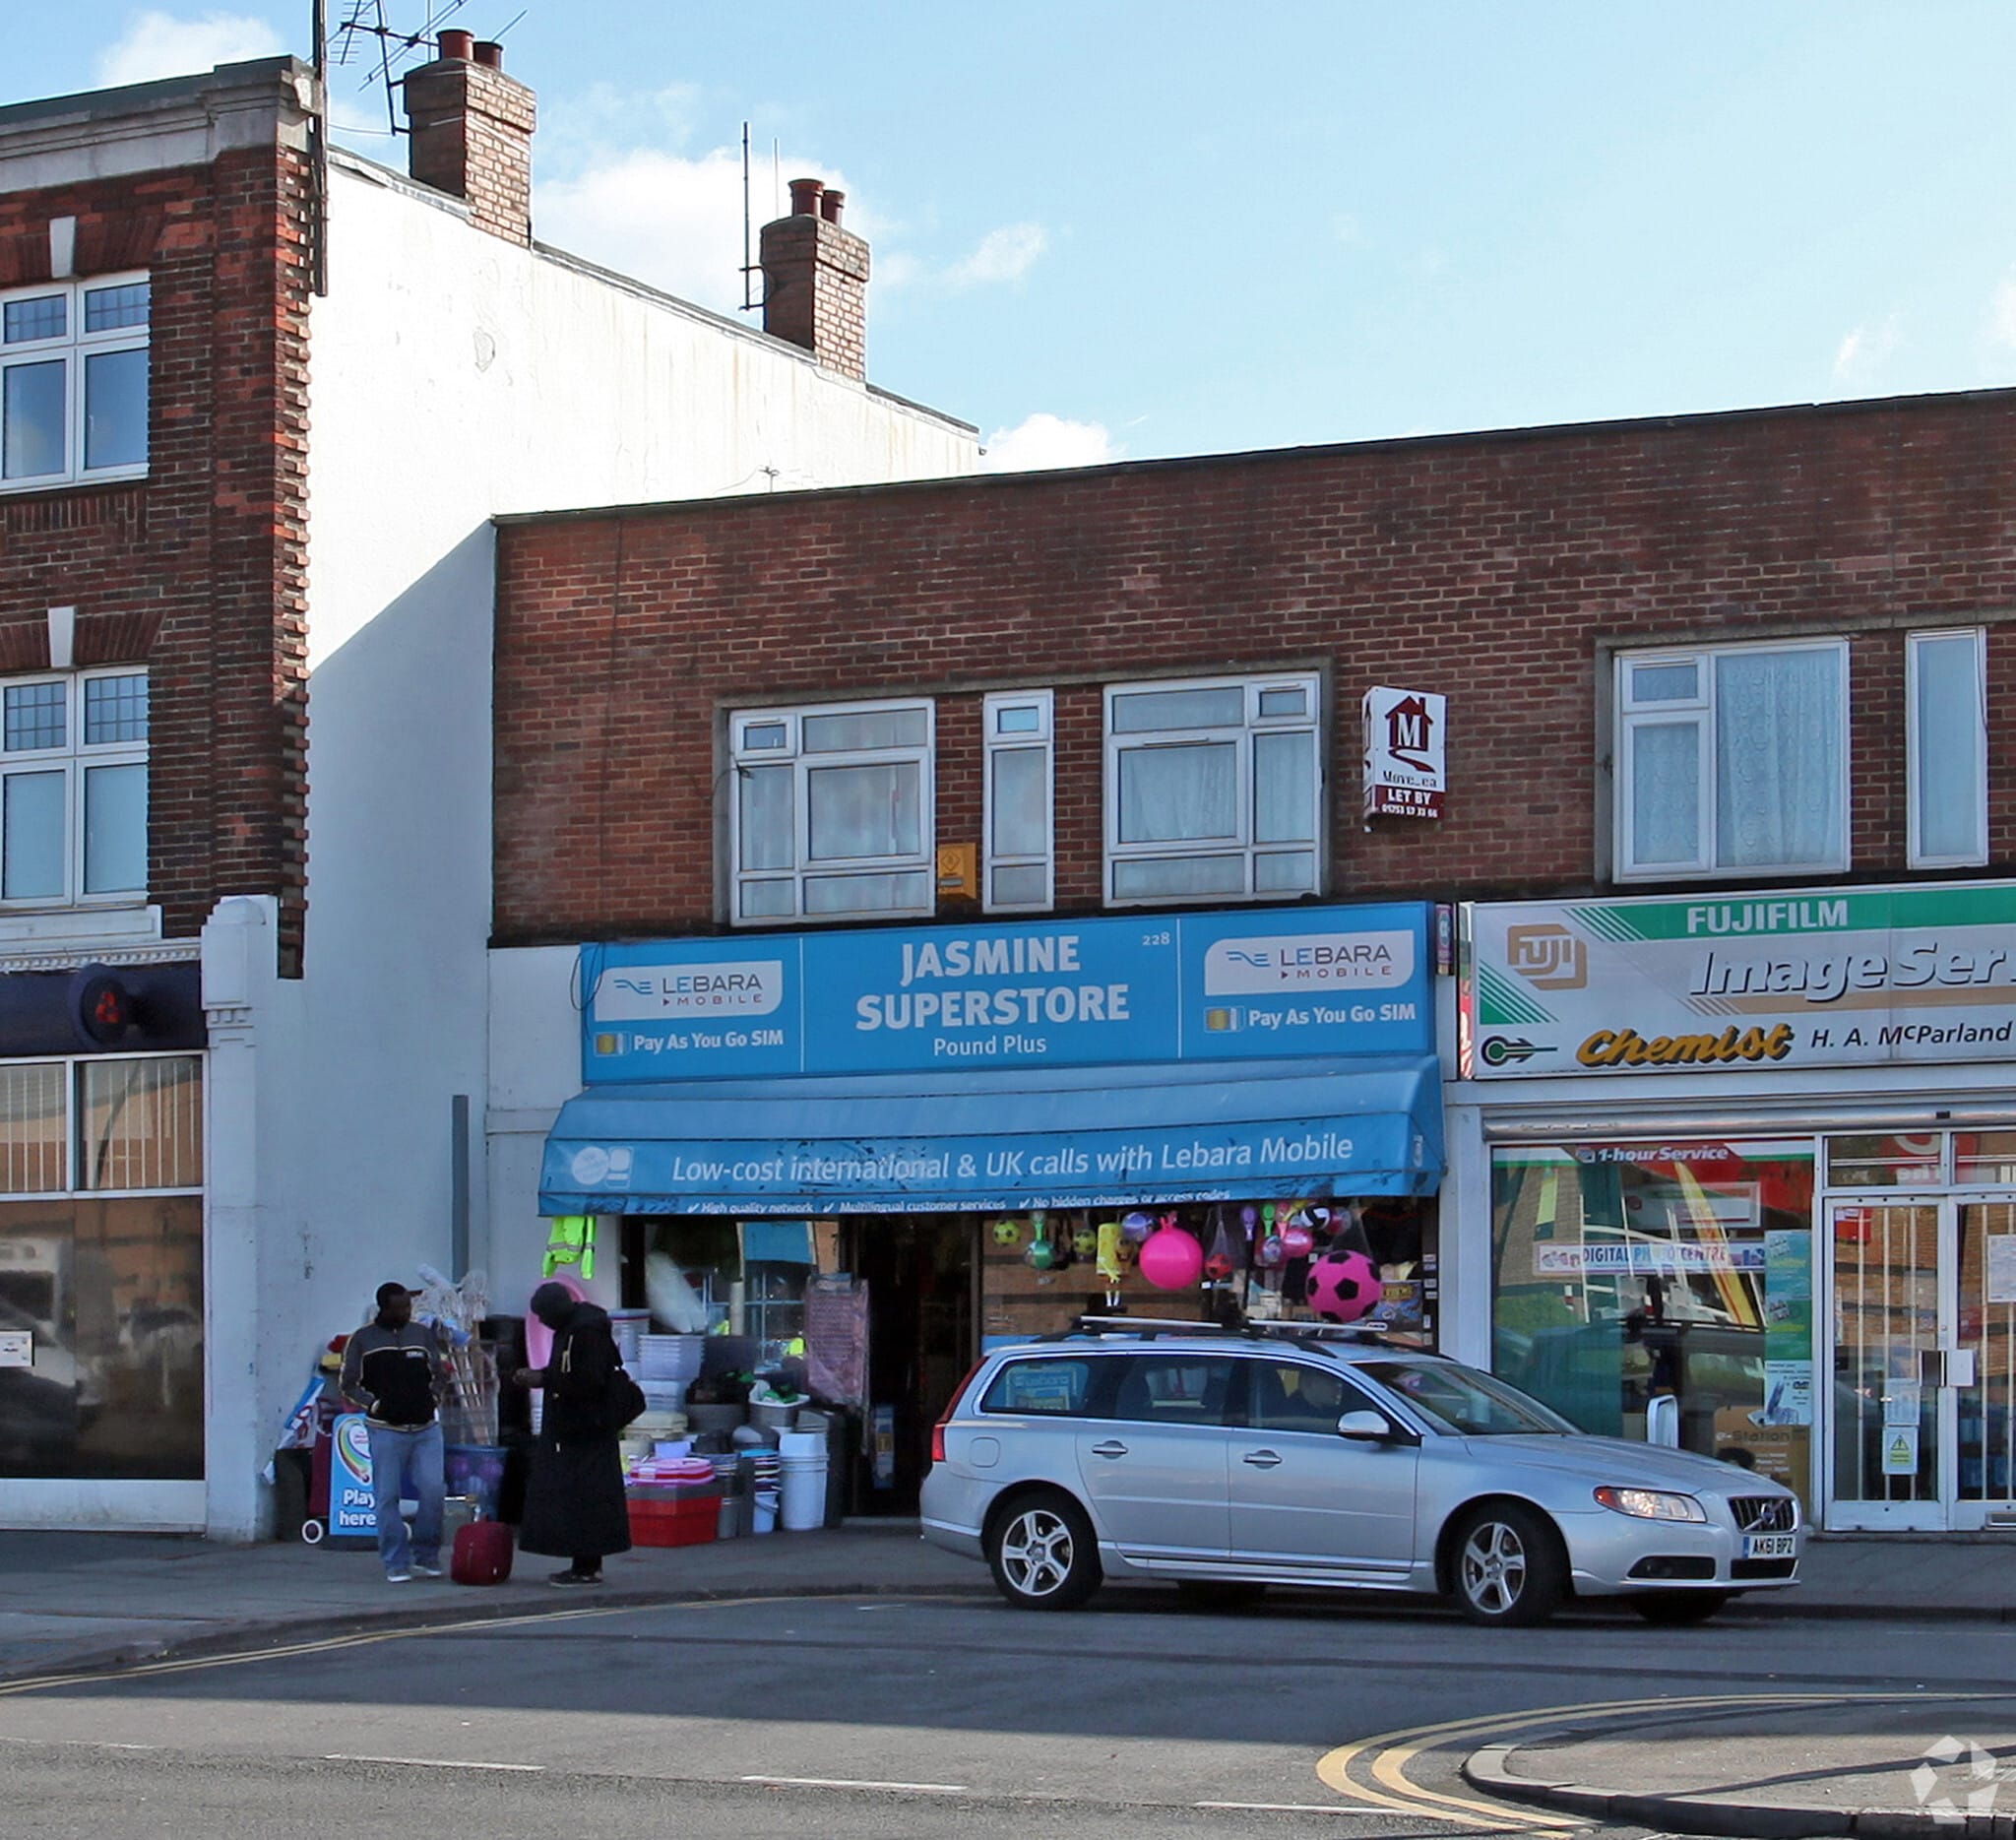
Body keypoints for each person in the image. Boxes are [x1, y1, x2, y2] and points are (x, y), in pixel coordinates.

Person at [513, 1282, 631, 1586]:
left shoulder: (584, 1334)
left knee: (583, 1499)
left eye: (543, 1315)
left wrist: (544, 1379)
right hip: (584, 1428)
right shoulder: (577, 1328)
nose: (541, 1322)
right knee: (584, 1499)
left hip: (585, 1428)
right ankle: (585, 1564)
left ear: (555, 1311)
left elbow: (586, 1382)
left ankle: (587, 1566)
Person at [337, 1281, 447, 1583]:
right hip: (385, 1430)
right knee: (387, 1496)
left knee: (434, 1491)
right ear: (383, 1308)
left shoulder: (422, 1335)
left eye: (407, 1307)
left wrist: (433, 1398)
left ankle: (427, 1554)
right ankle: (395, 1561)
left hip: (426, 1428)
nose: (405, 1313)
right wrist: (373, 1405)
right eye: (398, 1308)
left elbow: (440, 1373)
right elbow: (347, 1383)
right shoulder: (362, 1339)